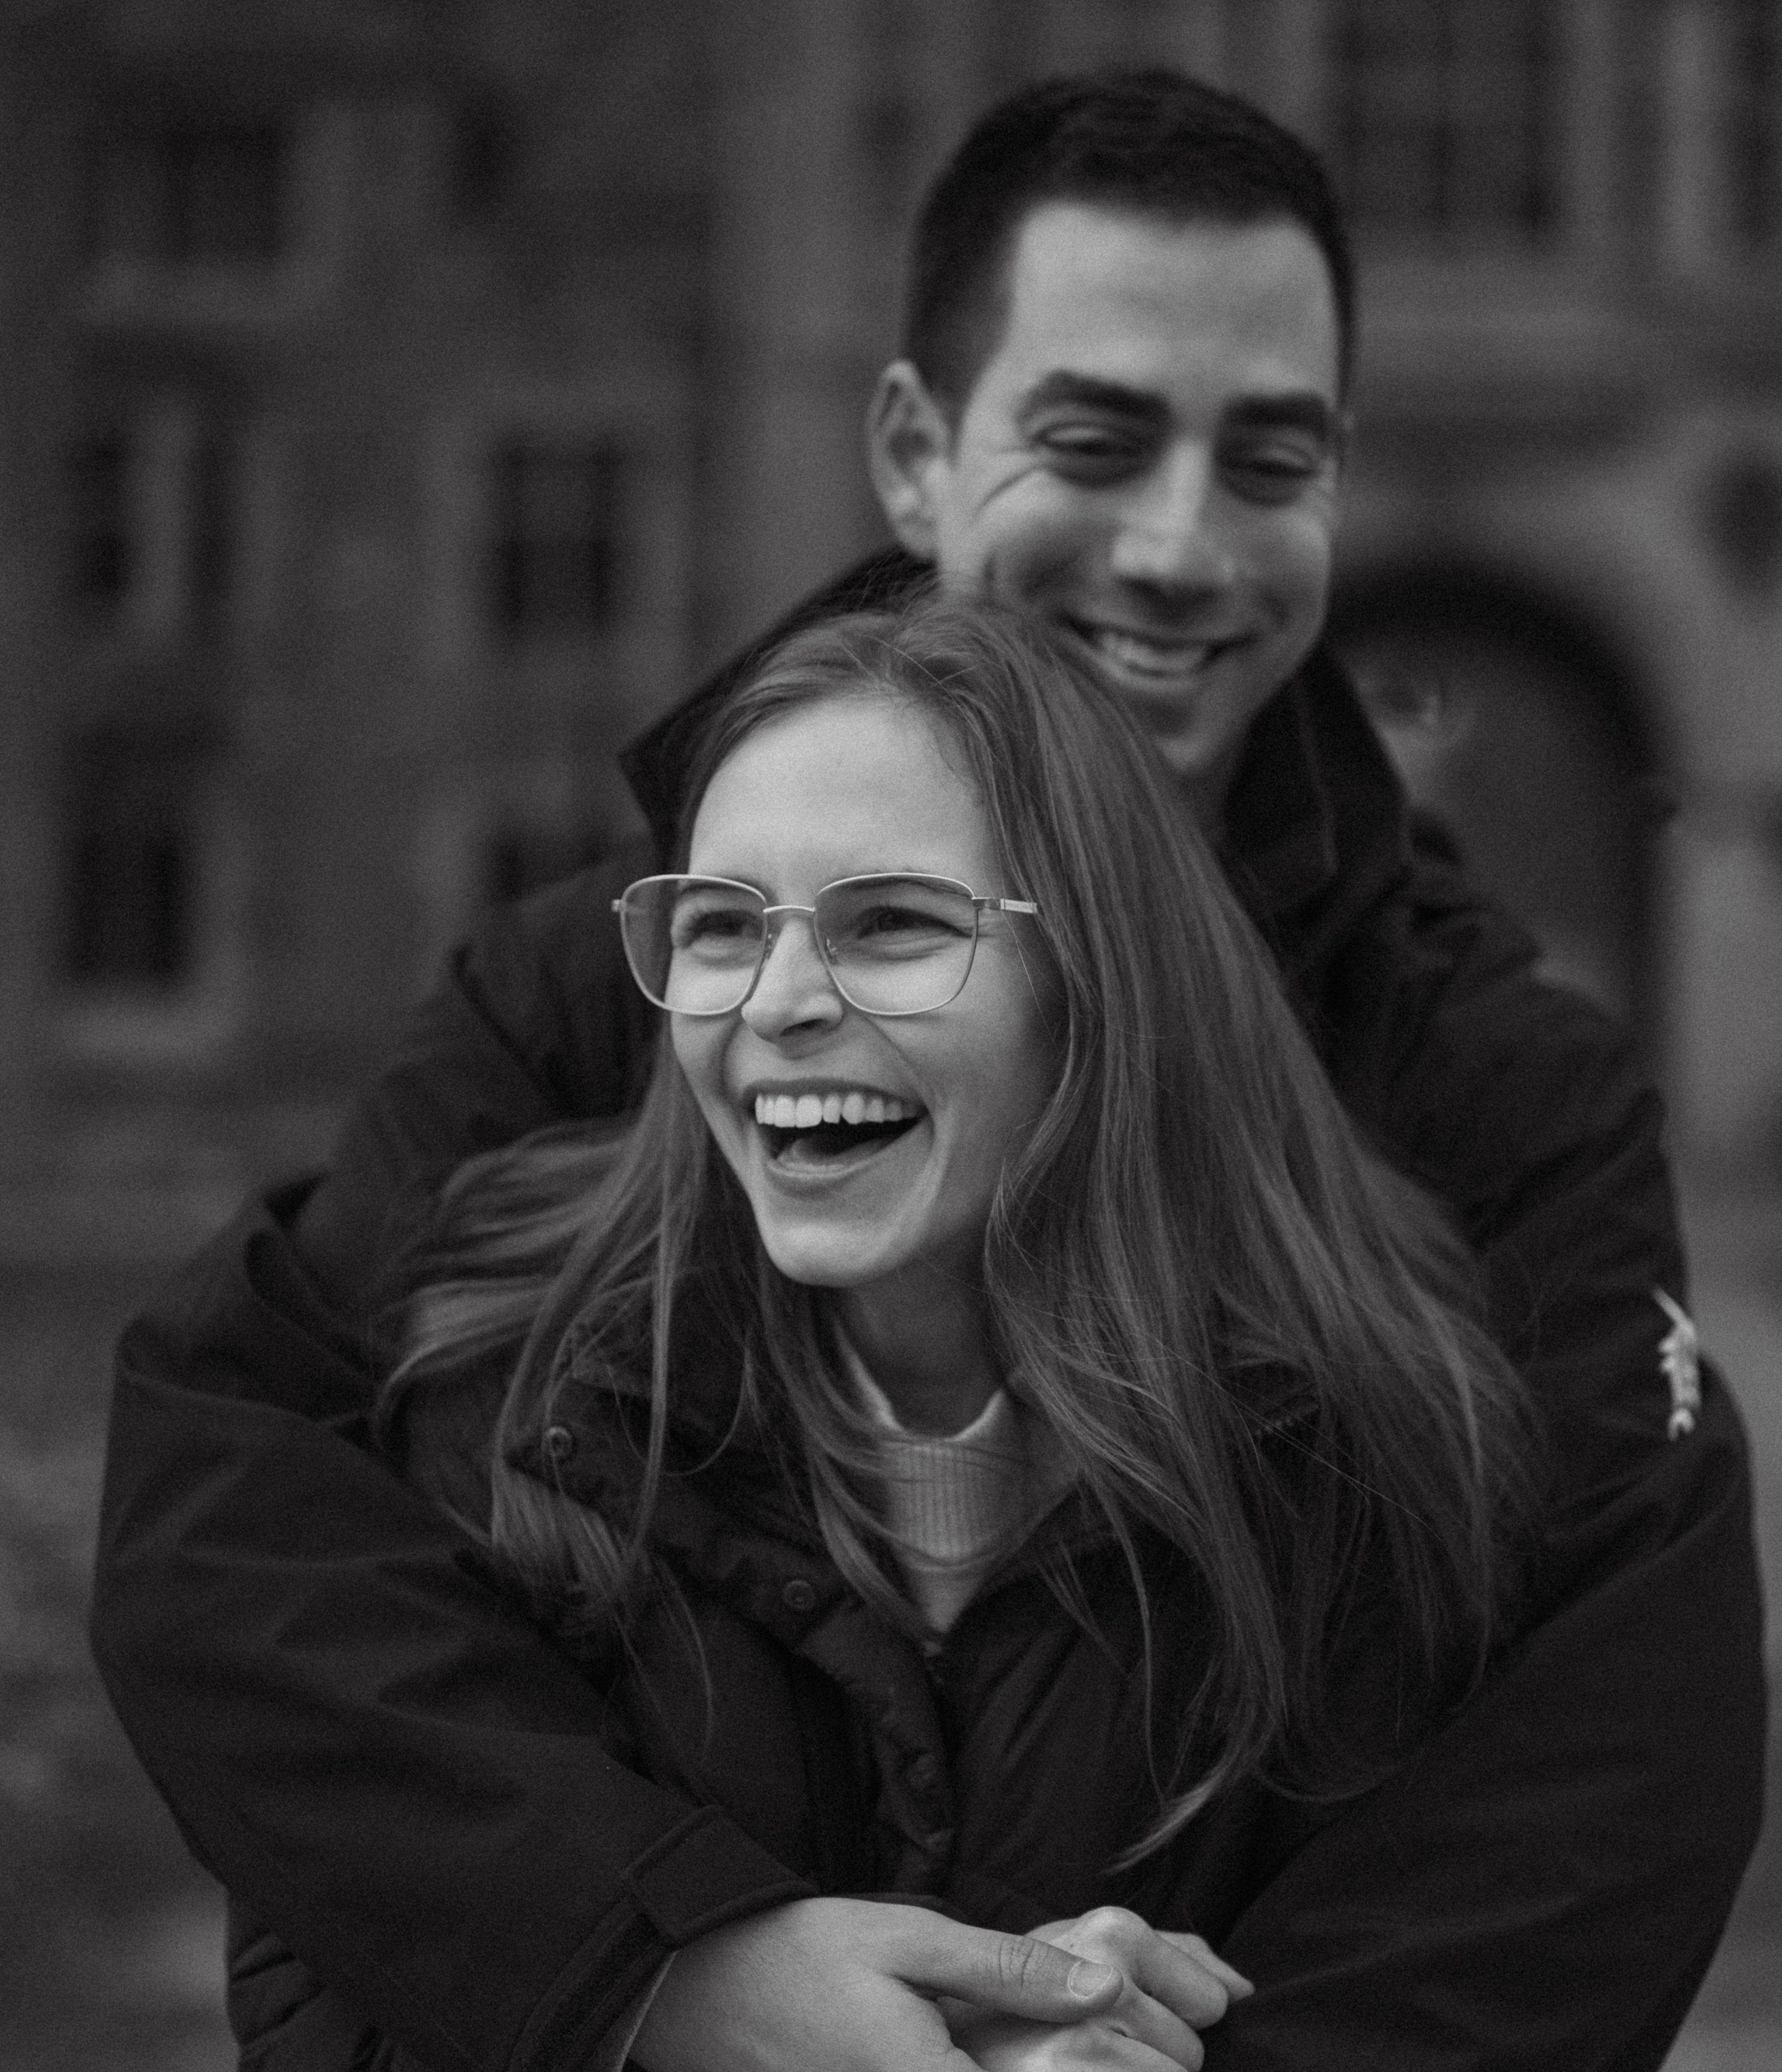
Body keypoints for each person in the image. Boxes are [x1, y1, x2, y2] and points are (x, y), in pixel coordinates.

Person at [93, 68, 1764, 2072]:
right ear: (912, 451)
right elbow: (253, 1535)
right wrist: (668, 1963)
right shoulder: (588, 1005)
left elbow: (1600, 1773)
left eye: (1267, 458)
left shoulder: (1488, 1084)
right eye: (1093, 440)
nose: (1177, 547)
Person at [228, 595, 1549, 2070]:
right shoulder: (505, 1399)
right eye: (722, 926)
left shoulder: (1364, 1456)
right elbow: (322, 2011)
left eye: (895, 923)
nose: (782, 1002)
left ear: (1099, 976)